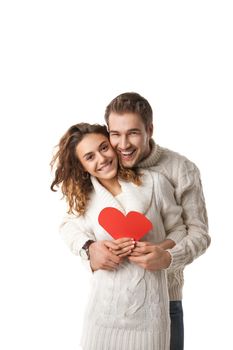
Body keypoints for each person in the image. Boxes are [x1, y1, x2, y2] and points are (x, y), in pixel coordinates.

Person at [60, 92, 211, 350]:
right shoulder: (97, 182)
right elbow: (70, 223)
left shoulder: (176, 171)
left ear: (149, 130)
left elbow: (197, 233)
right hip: (110, 304)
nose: (122, 144)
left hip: (165, 298)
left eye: (133, 133)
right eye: (114, 135)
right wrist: (89, 249)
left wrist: (167, 255)